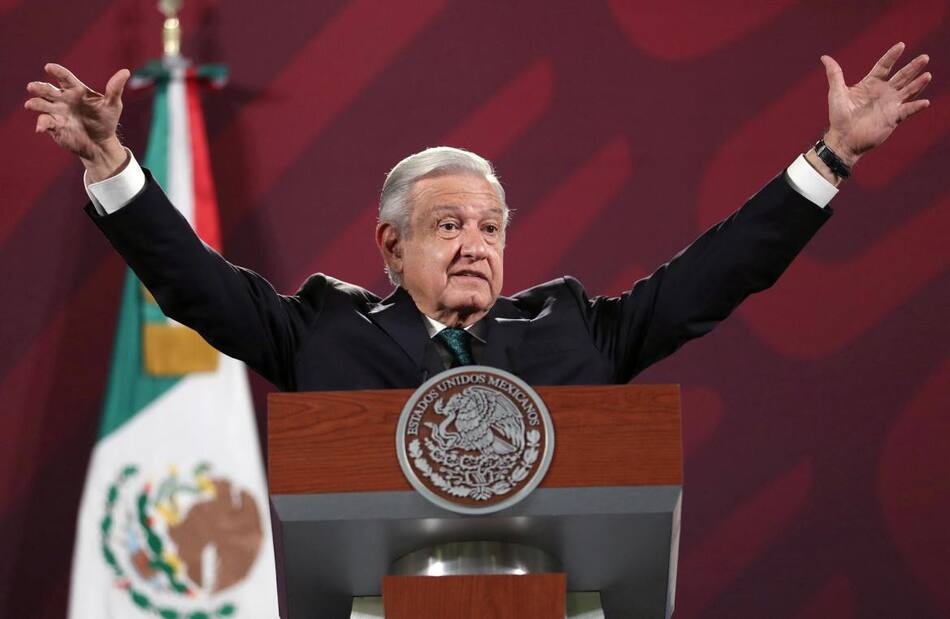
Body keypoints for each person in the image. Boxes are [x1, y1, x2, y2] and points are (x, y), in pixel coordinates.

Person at [25, 44, 931, 391]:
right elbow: (194, 282)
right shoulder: (321, 332)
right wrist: (111, 163)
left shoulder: (577, 330)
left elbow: (719, 272)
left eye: (490, 226)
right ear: (392, 245)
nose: (475, 244)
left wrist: (833, 158)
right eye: (449, 223)